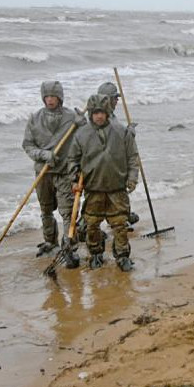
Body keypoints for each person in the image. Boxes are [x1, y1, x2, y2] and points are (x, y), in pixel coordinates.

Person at [68, 94, 139, 272]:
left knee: (120, 225)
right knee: (91, 225)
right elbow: (72, 160)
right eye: (95, 112)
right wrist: (75, 177)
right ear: (91, 113)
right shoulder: (81, 135)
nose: (99, 116)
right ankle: (96, 254)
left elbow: (132, 157)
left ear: (107, 112)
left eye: (102, 112)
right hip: (93, 189)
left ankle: (122, 256)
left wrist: (132, 178)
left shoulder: (122, 132)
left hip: (117, 189)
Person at [22, 80, 85, 267]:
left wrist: (84, 124)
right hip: (43, 171)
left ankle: (69, 246)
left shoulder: (72, 118)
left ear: (60, 97)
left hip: (66, 171)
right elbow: (27, 145)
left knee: (68, 212)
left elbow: (86, 138)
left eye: (53, 96)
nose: (50, 100)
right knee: (46, 209)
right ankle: (50, 241)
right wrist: (43, 155)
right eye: (47, 96)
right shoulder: (35, 118)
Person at [97, 81, 140, 229]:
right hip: (102, 169)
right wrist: (129, 133)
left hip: (113, 167)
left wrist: (128, 133)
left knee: (117, 197)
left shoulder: (111, 116)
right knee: (98, 204)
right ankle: (83, 228)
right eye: (115, 98)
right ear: (108, 99)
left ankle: (122, 218)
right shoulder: (101, 118)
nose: (117, 101)